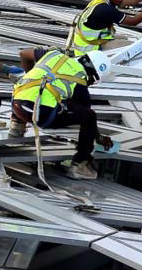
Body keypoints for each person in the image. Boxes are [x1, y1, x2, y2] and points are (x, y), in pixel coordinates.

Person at [10, 49, 117, 180]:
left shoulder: (53, 54)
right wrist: (99, 138)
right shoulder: (80, 84)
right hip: (41, 116)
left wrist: (31, 76)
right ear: (93, 75)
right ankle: (79, 165)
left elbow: (23, 54)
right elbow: (88, 121)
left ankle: (16, 127)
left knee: (31, 92)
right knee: (89, 116)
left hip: (16, 105)